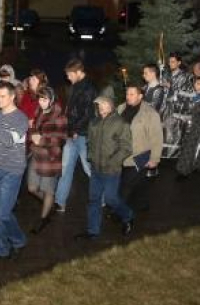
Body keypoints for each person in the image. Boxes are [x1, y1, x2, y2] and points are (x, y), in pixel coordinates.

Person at [0, 81, 29, 260]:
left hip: (13, 170)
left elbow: (10, 140)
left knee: (3, 213)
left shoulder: (21, 118)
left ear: (12, 97)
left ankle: (18, 239)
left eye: (3, 96)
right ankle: (0, 249)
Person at [75, 95, 133, 239]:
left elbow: (126, 147)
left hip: (111, 170)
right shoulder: (94, 122)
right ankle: (92, 231)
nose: (100, 107)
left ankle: (128, 215)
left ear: (111, 105)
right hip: (96, 169)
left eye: (103, 104)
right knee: (93, 199)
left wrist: (113, 161)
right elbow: (90, 141)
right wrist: (90, 156)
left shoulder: (120, 123)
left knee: (110, 199)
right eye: (99, 105)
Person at [54, 58, 97, 213]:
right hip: (72, 134)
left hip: (83, 136)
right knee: (65, 168)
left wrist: (75, 130)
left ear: (79, 72)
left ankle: (104, 199)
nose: (68, 78)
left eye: (70, 74)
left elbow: (88, 114)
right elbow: (71, 111)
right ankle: (59, 201)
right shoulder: (75, 87)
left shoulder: (89, 89)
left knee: (89, 169)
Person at [117, 82, 163, 212]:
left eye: (132, 94)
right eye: (127, 93)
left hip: (141, 155)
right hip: (122, 154)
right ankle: (142, 203)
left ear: (140, 96)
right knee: (138, 182)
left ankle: (118, 211)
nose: (128, 96)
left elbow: (157, 137)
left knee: (126, 184)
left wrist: (155, 158)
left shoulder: (150, 113)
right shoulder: (120, 109)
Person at [27, 86, 67, 234]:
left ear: (51, 99)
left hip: (51, 156)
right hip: (37, 154)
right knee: (32, 188)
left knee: (48, 189)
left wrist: (41, 140)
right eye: (40, 98)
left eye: (44, 99)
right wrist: (31, 130)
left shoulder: (60, 116)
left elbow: (60, 139)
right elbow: (34, 133)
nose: (41, 102)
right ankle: (49, 204)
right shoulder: (38, 112)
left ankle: (44, 219)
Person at [175, 77, 200, 178]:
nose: (196, 85)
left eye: (198, 84)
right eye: (195, 83)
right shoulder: (195, 97)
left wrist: (198, 128)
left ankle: (184, 171)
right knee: (192, 147)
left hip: (197, 128)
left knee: (190, 148)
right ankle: (199, 165)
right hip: (191, 126)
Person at [160, 52, 194, 158]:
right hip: (165, 107)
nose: (170, 64)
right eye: (169, 62)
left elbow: (190, 94)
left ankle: (174, 155)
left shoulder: (185, 76)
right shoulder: (166, 74)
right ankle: (164, 154)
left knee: (175, 132)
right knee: (164, 131)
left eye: (173, 62)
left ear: (179, 63)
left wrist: (171, 87)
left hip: (177, 108)